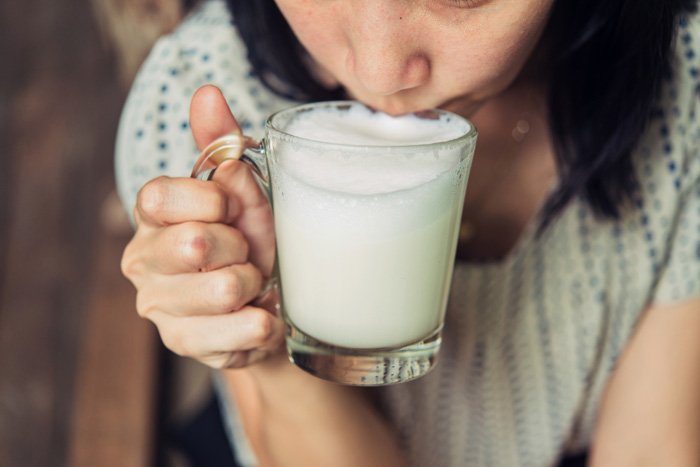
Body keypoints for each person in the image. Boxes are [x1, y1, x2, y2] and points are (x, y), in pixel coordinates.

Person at [116, 0, 700, 465]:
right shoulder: (204, 98)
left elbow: (652, 449)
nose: (379, 71)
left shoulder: (685, 93)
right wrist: (264, 328)